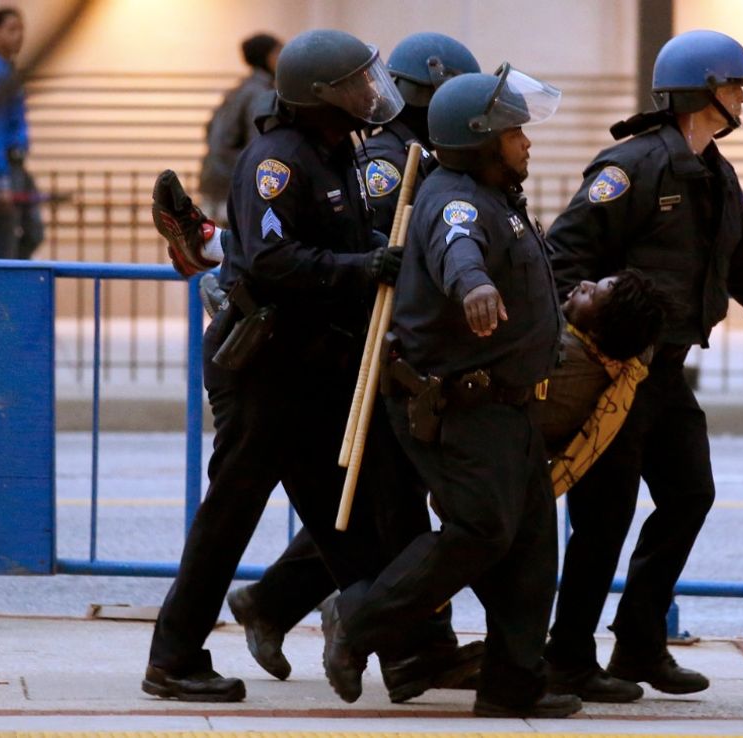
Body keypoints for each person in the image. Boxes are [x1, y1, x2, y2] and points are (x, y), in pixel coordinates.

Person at [151, 32, 486, 705]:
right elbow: (274, 262)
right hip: (265, 369)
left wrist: (376, 252)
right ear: (318, 96)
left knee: (354, 519)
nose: (371, 95)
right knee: (229, 517)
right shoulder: (277, 161)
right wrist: (362, 267)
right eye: (356, 85)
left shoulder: (341, 153)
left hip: (314, 368)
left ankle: (412, 654)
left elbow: (343, 238)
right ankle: (174, 659)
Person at [542, 29, 743, 700]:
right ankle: (568, 656)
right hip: (618, 372)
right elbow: (563, 254)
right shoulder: (630, 167)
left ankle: (639, 644)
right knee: (603, 518)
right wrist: (596, 331)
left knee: (690, 495)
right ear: (701, 91)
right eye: (734, 87)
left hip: (668, 373)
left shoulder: (714, 169)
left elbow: (739, 257)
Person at [320, 66, 583, 719]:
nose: (527, 142)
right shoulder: (455, 200)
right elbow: (456, 248)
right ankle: (356, 618)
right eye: (514, 132)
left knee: (528, 544)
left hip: (508, 402)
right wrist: (473, 285)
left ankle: (512, 686)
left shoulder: (499, 195)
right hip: (458, 403)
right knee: (480, 529)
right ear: (480, 140)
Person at [197, 33, 282, 225]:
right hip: (234, 186)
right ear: (266, 57)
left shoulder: (238, 90)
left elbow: (210, 131)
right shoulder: (261, 94)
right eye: (278, 53)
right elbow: (260, 145)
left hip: (214, 180)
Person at [0, 6, 43, 259]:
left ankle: (14, 280)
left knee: (31, 231)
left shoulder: (6, 70)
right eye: (11, 29)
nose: (19, 36)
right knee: (2, 241)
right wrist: (0, 179)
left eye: (21, 30)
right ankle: (0, 293)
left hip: (16, 165)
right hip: (4, 167)